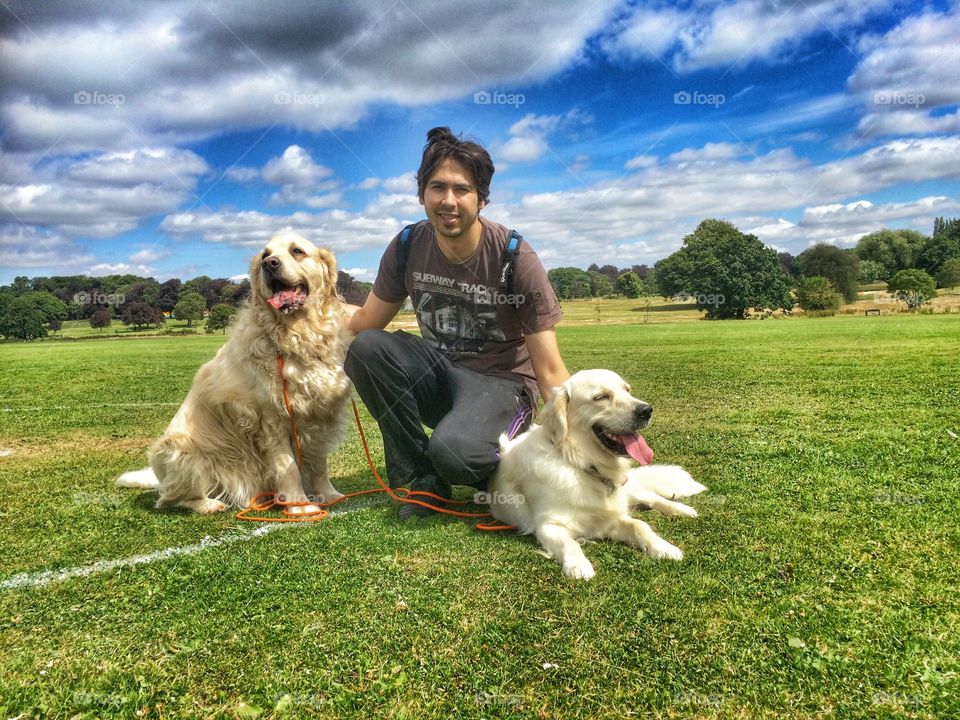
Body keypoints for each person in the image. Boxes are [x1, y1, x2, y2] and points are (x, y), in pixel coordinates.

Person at [346, 126, 569, 518]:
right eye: (437, 187)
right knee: (366, 348)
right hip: (441, 375)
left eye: (462, 189)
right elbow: (365, 321)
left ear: (481, 199)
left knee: (456, 455)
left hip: (503, 386)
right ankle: (423, 479)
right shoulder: (406, 247)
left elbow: (550, 373)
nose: (448, 201)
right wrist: (308, 307)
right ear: (422, 194)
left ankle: (484, 456)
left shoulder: (514, 257)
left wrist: (587, 448)